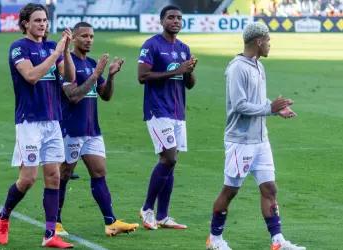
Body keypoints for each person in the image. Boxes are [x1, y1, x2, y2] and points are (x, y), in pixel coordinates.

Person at [205, 22, 305, 250]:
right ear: (259, 41)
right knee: (230, 190)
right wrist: (269, 109)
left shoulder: (258, 66)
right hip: (240, 141)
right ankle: (215, 239)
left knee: (270, 188)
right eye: (268, 40)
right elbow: (240, 105)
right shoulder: (237, 68)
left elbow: (257, 103)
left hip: (261, 140)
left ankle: (277, 241)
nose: (270, 44)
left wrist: (275, 108)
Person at [0, 3, 76, 248]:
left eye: (45, 20)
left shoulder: (53, 47)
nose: (43, 24)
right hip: (29, 122)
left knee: (53, 176)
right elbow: (31, 76)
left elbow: (70, 77)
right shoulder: (19, 47)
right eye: (38, 20)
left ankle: (50, 234)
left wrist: (67, 51)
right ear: (25, 24)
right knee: (28, 179)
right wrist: (55, 54)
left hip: (53, 120)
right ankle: (4, 215)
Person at [55, 21, 139, 237]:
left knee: (99, 173)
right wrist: (96, 74)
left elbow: (106, 96)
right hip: (71, 129)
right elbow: (72, 96)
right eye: (84, 36)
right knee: (63, 174)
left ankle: (111, 222)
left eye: (91, 36)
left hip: (92, 130)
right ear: (73, 39)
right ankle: (55, 222)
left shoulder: (92, 63)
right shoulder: (66, 62)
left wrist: (110, 75)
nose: (89, 40)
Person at [137, 5, 197, 230]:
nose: (176, 21)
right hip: (157, 110)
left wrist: (188, 71)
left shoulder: (184, 48)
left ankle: (163, 215)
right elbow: (142, 76)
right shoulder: (151, 45)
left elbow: (189, 84)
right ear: (162, 21)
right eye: (171, 17)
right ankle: (147, 208)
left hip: (178, 111)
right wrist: (176, 70)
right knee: (168, 158)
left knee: (171, 163)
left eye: (179, 18)